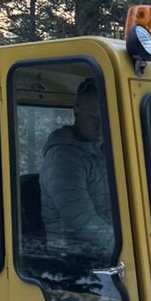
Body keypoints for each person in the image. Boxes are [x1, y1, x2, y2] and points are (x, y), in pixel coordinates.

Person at [39, 79, 114, 260]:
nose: (99, 125)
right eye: (92, 117)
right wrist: (128, 247)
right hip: (71, 256)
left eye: (104, 118)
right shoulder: (62, 158)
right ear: (76, 113)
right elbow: (83, 222)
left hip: (102, 248)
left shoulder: (102, 152)